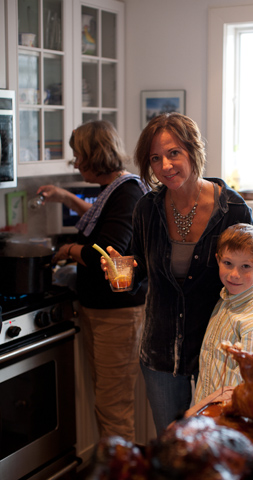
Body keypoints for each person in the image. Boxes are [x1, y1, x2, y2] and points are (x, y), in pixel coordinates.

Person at [100, 112, 253, 436]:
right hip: (162, 356)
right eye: (155, 158)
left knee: (218, 449)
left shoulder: (232, 209)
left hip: (221, 356)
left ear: (193, 150)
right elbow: (139, 275)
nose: (165, 166)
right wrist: (120, 275)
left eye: (174, 153)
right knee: (176, 448)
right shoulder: (146, 208)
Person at [37, 120, 148, 442]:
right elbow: (103, 220)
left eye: (77, 154)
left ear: (92, 155)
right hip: (103, 312)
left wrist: (69, 250)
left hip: (117, 316)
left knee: (114, 409)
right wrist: (64, 197)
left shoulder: (126, 192)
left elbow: (111, 254)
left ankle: (121, 470)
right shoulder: (118, 188)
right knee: (109, 404)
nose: (75, 162)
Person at [194, 223, 253, 404]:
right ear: (218, 260)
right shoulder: (225, 300)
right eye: (228, 263)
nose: (234, 274)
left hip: (232, 423)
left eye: (245, 266)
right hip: (210, 415)